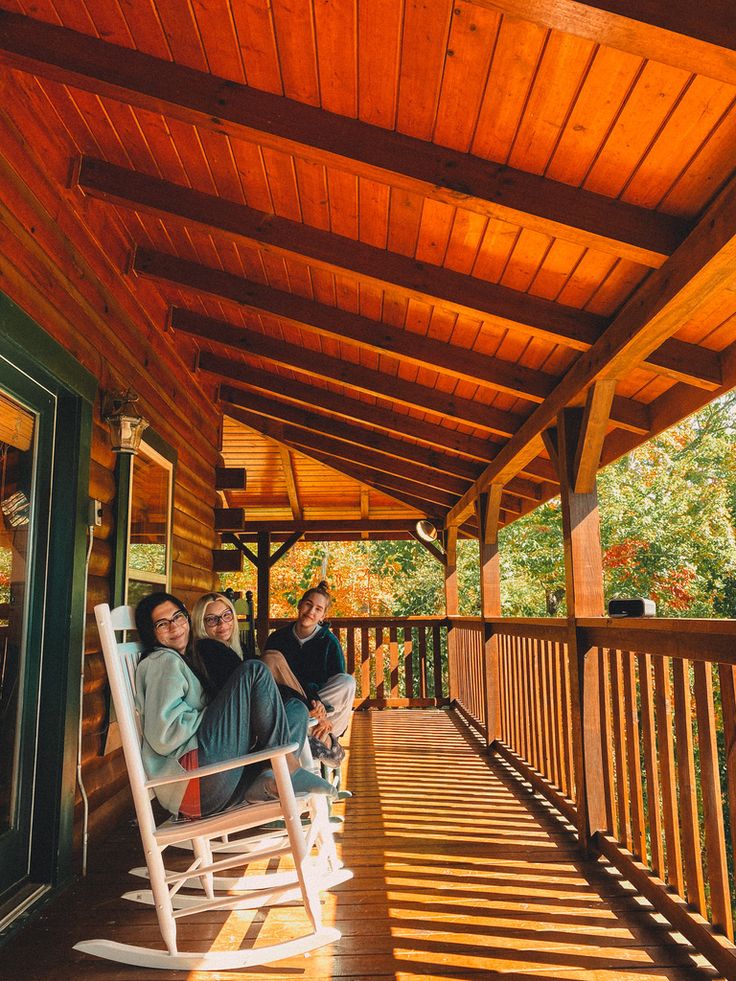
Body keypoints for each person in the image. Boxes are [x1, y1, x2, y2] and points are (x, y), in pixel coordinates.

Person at [134, 591, 336, 820]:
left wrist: (229, 715)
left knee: (295, 709)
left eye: (178, 617)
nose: (175, 626)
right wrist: (223, 713)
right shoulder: (163, 661)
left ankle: (269, 781)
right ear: (151, 633)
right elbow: (165, 735)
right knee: (254, 670)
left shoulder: (184, 659)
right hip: (192, 784)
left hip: (219, 782)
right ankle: (289, 771)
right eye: (162, 624)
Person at [189, 591, 308, 750]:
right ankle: (284, 763)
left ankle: (274, 769)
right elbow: (257, 687)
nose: (222, 624)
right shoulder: (209, 649)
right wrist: (301, 699)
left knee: (297, 707)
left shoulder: (235, 647)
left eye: (227, 615)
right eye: (211, 619)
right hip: (234, 726)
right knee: (295, 703)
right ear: (200, 623)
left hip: (249, 717)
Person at [264, 581, 356, 766]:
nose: (311, 611)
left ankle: (317, 732)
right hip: (290, 700)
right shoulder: (278, 638)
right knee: (271, 659)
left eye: (318, 608)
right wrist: (311, 703)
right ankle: (326, 741)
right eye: (308, 604)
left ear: (323, 615)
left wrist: (317, 704)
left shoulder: (328, 641)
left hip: (318, 703)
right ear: (299, 604)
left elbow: (336, 682)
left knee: (347, 682)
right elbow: (271, 678)